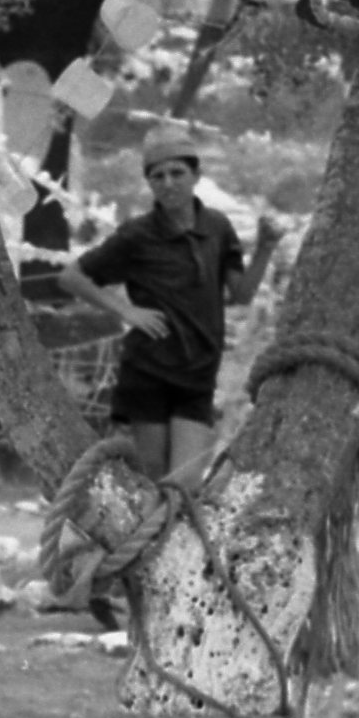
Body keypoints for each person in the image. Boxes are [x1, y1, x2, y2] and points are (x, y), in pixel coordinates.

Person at [77, 127, 253, 484]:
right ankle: (146, 539)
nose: (168, 183)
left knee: (185, 484)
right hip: (148, 372)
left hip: (199, 372)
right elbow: (73, 276)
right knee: (152, 477)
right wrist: (126, 311)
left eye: (177, 173)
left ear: (196, 175)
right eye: (158, 176)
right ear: (149, 183)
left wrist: (265, 246)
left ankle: (169, 537)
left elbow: (242, 293)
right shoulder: (136, 234)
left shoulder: (217, 227)